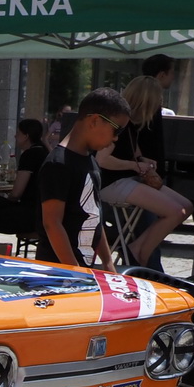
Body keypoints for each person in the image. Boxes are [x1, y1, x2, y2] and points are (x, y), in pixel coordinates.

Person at [94, 75, 191, 268]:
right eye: (158, 99)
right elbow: (102, 160)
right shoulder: (119, 123)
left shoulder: (132, 124)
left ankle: (136, 249)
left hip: (127, 178)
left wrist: (143, 161)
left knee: (186, 207)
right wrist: (134, 166)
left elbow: (134, 153)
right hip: (111, 182)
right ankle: (139, 253)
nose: (160, 104)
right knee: (175, 211)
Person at [38, 88, 130, 273]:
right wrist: (75, 271)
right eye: (116, 129)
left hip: (81, 271)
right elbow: (52, 223)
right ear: (94, 120)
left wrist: (107, 262)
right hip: (57, 273)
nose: (116, 138)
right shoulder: (58, 164)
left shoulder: (91, 161)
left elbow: (94, 216)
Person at [0, 119, 49, 241]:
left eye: (18, 133)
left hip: (29, 214)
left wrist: (7, 198)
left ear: (26, 136)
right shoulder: (45, 152)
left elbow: (16, 193)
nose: (15, 136)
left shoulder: (30, 155)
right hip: (42, 213)